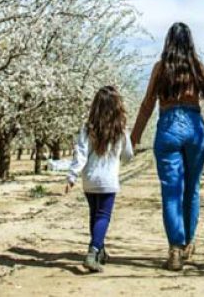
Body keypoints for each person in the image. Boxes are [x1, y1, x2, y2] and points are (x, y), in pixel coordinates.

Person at [132, 22, 204, 271]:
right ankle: (188, 243)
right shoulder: (197, 68)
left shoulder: (160, 69)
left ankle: (174, 248)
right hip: (195, 129)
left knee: (171, 191)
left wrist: (134, 137)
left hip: (168, 128)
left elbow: (147, 104)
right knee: (192, 189)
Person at [64, 85, 135, 273]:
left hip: (89, 181)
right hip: (108, 181)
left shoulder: (88, 128)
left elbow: (80, 154)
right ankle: (92, 251)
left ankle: (100, 251)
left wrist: (72, 176)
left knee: (94, 215)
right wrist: (122, 160)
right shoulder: (121, 130)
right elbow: (128, 155)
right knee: (103, 216)